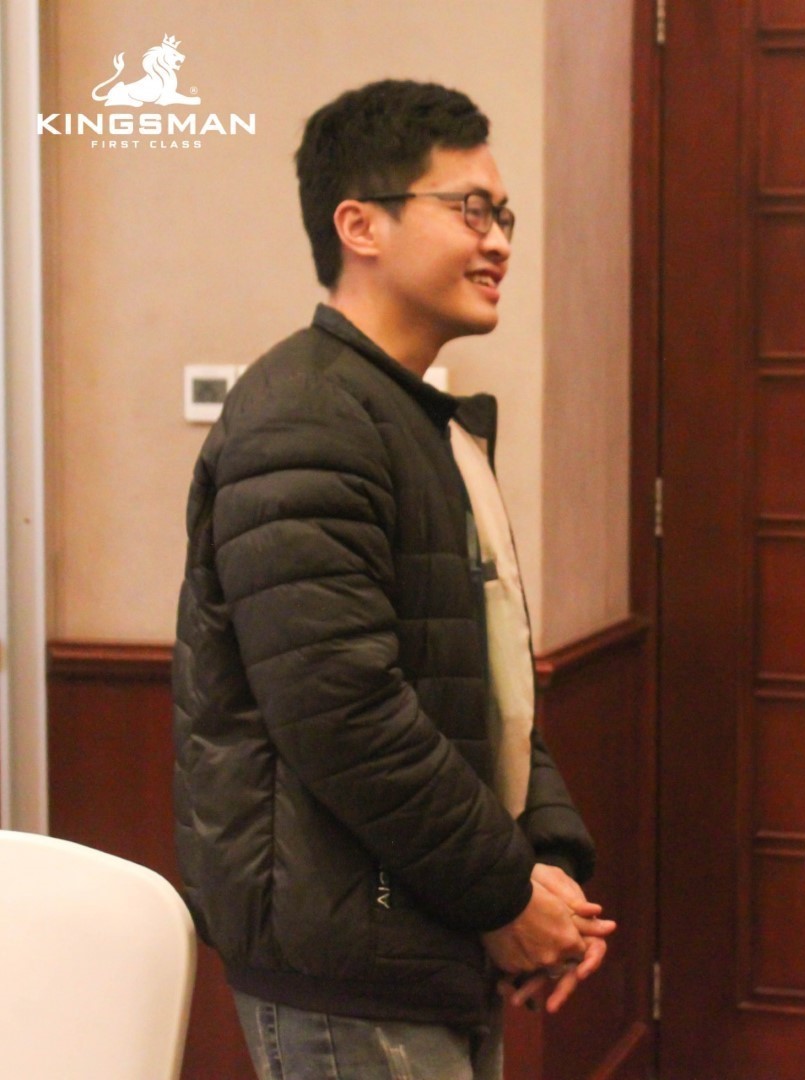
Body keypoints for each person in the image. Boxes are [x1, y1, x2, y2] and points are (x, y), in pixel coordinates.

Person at [173, 79, 614, 1080]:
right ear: (360, 224)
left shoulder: (413, 416)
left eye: (503, 216)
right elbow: (343, 712)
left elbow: (492, 686)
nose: (498, 241)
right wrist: (504, 893)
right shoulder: (305, 413)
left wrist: (546, 864)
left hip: (431, 931)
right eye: (470, 210)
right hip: (351, 967)